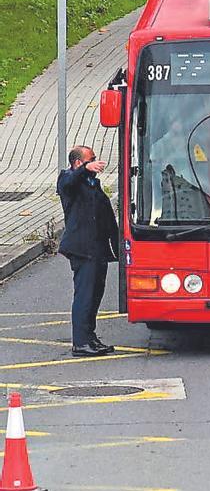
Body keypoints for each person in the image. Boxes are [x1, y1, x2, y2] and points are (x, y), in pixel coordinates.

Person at [56, 146, 119, 357]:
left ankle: (90, 337)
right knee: (84, 295)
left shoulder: (93, 184)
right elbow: (69, 182)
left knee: (95, 295)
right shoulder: (68, 180)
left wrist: (118, 246)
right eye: (91, 160)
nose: (96, 163)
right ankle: (80, 343)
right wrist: (84, 169)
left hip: (98, 249)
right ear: (77, 163)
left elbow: (107, 217)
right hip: (82, 249)